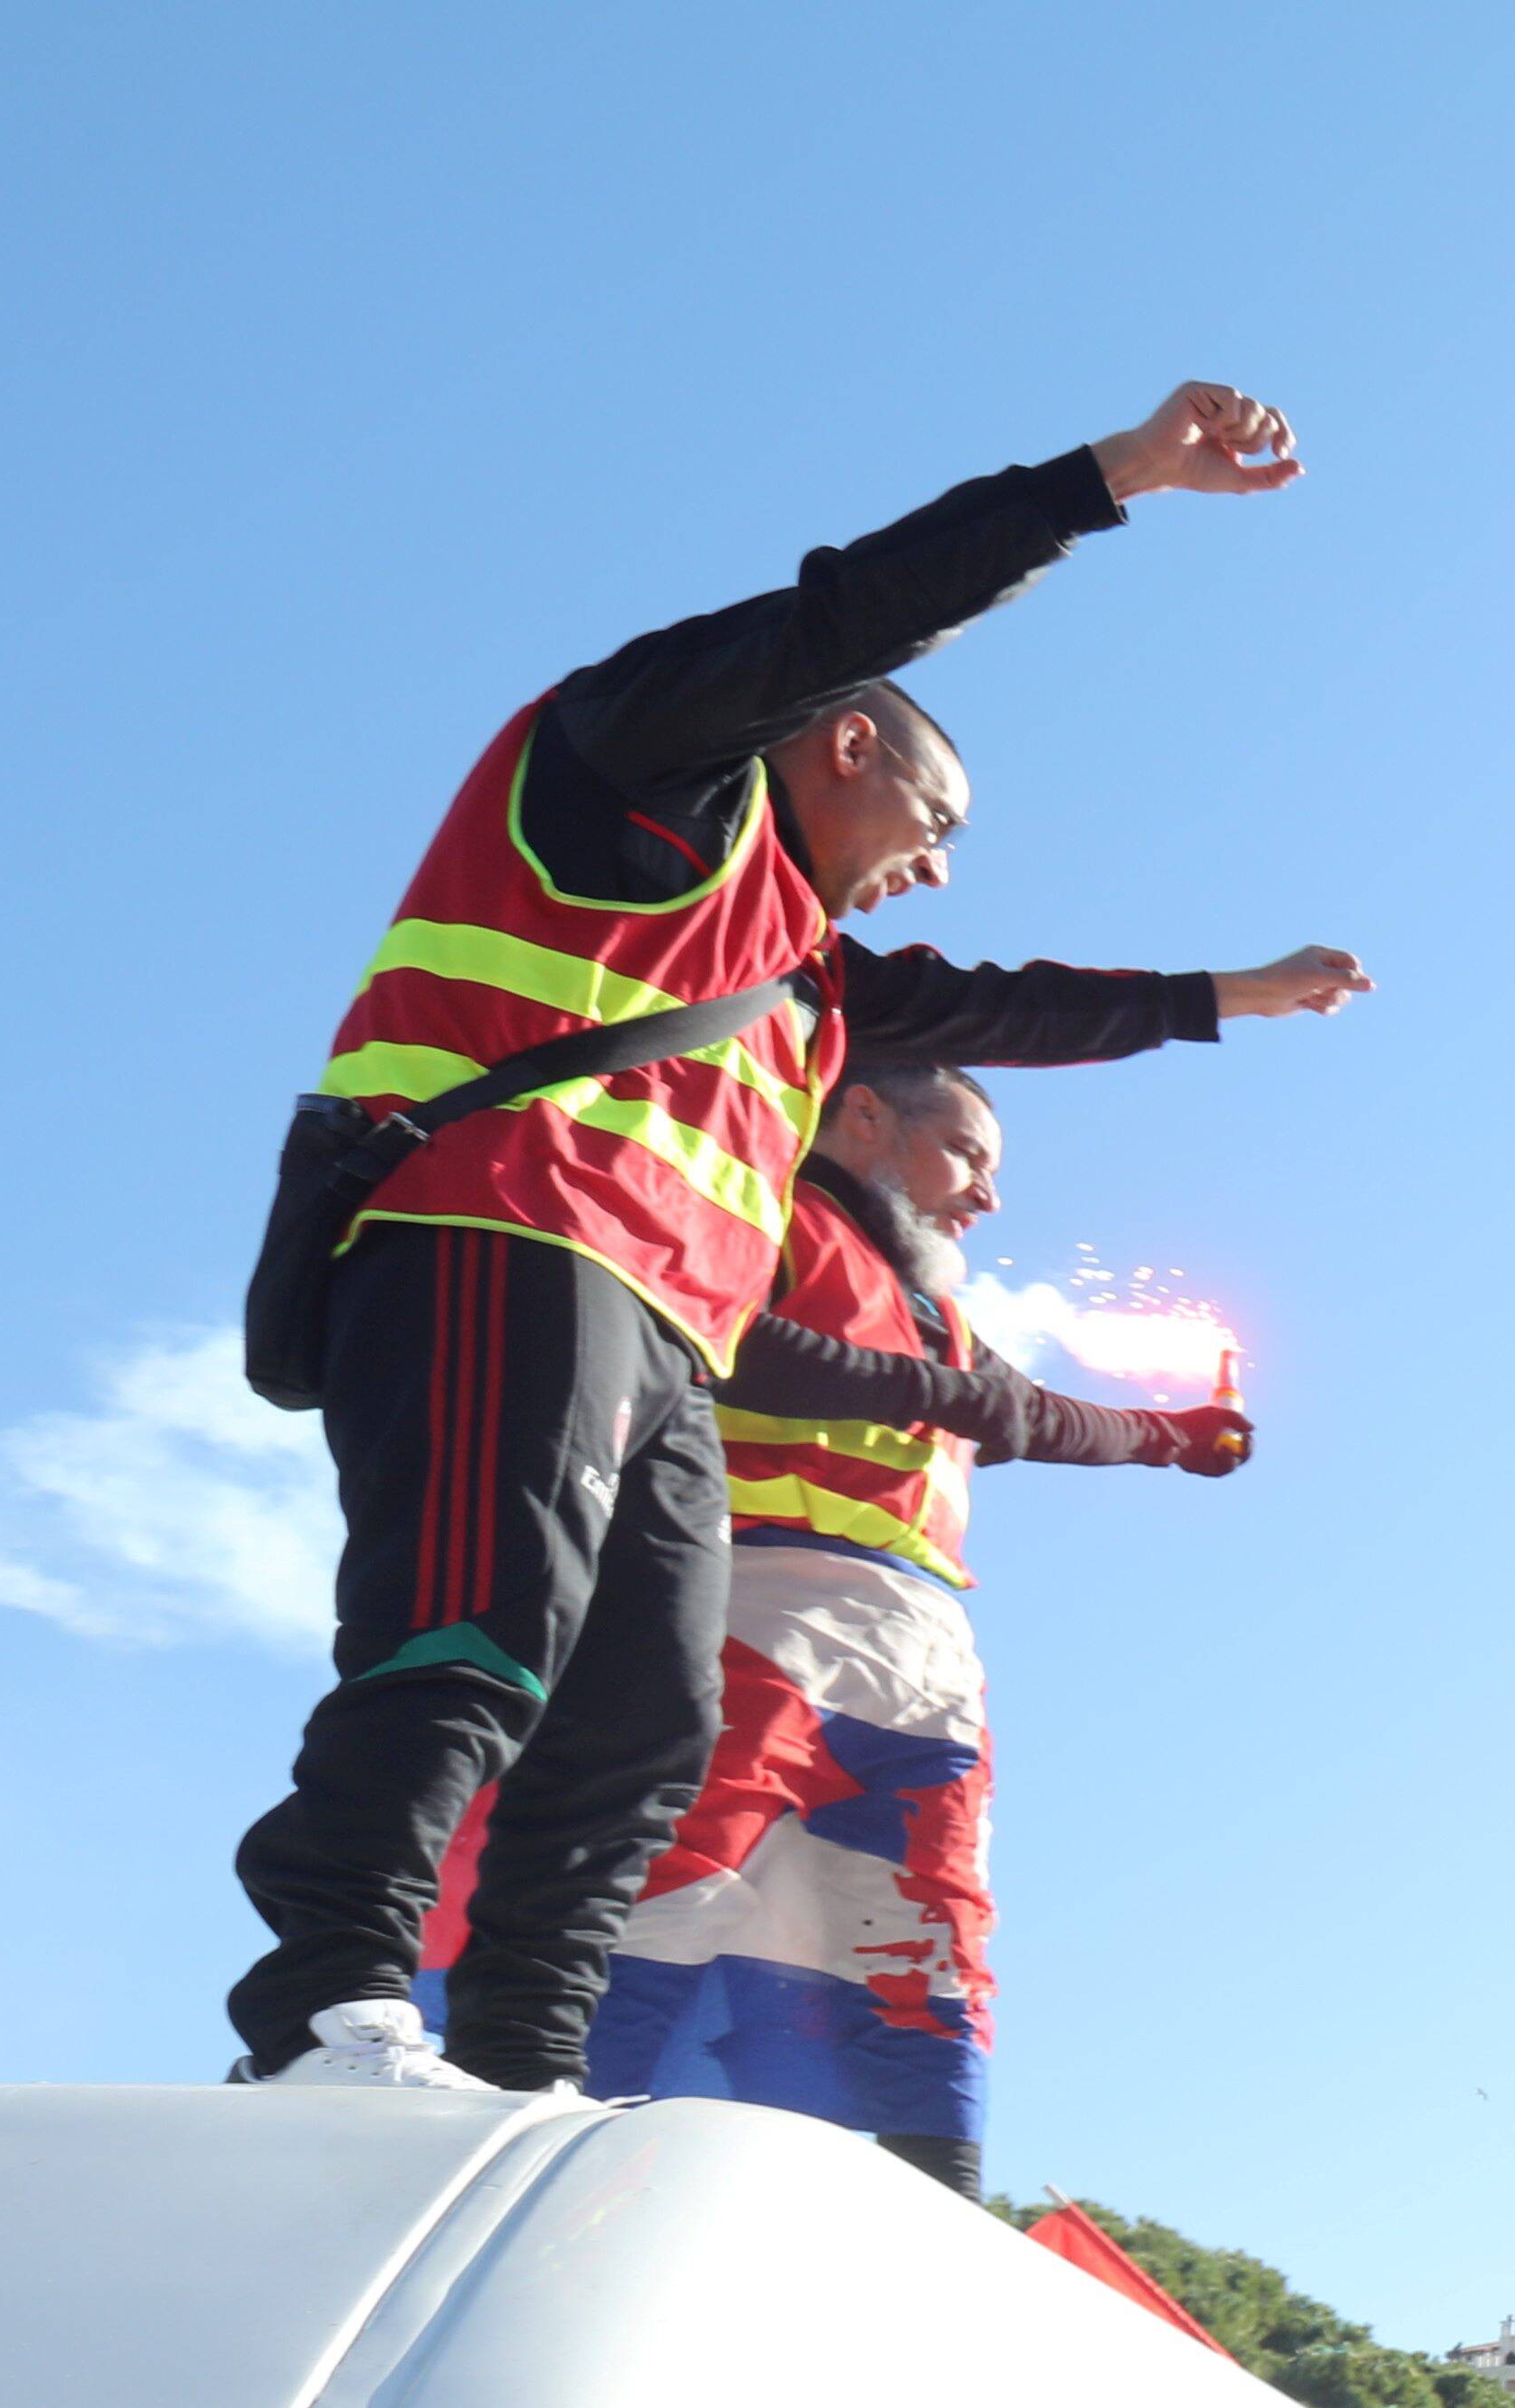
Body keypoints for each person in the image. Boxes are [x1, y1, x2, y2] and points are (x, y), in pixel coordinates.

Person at [231, 384, 1367, 2095]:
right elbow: (856, 607)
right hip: (504, 1241)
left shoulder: (812, 977)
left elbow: (1004, 1005)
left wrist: (1227, 997)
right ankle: (326, 2014)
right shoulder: (632, 773)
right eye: (937, 826)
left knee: (639, 1724)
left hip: (664, 1337)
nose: (934, 871)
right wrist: (1117, 476)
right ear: (848, 746)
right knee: (472, 1632)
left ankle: (527, 2067)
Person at [509, 1059, 1249, 2192]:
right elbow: (732, 1340)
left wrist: (1171, 1437)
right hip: (757, 1600)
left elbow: (1027, 1412)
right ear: (862, 1117)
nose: (987, 1199)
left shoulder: (938, 1312)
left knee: (931, 1926)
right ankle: (539, 2139)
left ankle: (935, 2205)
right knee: (671, 1863)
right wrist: (946, 1395)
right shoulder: (761, 1216)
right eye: (966, 1156)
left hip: (922, 1644)